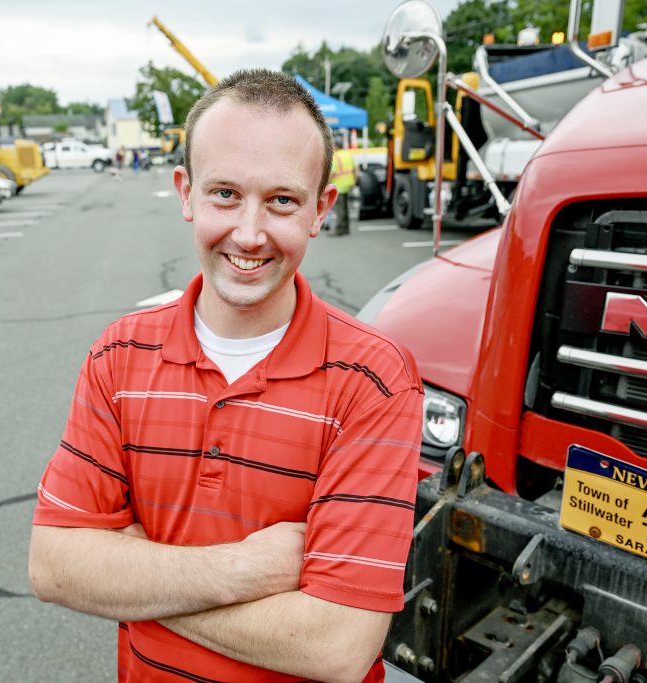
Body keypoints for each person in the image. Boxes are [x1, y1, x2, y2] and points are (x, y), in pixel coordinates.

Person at [28, 69, 424, 683]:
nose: (248, 233)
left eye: (282, 200)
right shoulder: (119, 356)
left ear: (321, 208)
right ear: (185, 192)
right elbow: (54, 566)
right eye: (225, 194)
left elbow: (338, 646)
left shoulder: (373, 380)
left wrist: (132, 574)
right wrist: (238, 572)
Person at [328, 143, 359, 236]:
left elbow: (332, 173)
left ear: (336, 146)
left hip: (339, 187)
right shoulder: (348, 155)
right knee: (345, 208)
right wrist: (354, 181)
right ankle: (346, 228)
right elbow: (356, 169)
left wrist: (326, 184)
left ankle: (338, 230)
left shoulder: (336, 157)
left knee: (339, 209)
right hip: (348, 184)